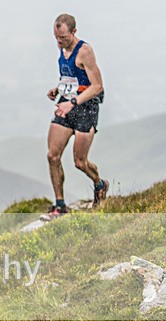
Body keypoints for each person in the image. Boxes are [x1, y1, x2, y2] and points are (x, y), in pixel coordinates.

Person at [41, 13, 108, 221]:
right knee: (52, 155)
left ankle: (99, 184)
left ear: (74, 32)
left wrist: (72, 102)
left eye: (64, 38)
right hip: (66, 104)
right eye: (56, 37)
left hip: (85, 108)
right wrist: (59, 89)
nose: (60, 42)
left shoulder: (85, 51)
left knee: (80, 162)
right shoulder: (62, 48)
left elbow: (97, 86)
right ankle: (60, 206)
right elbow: (72, 77)